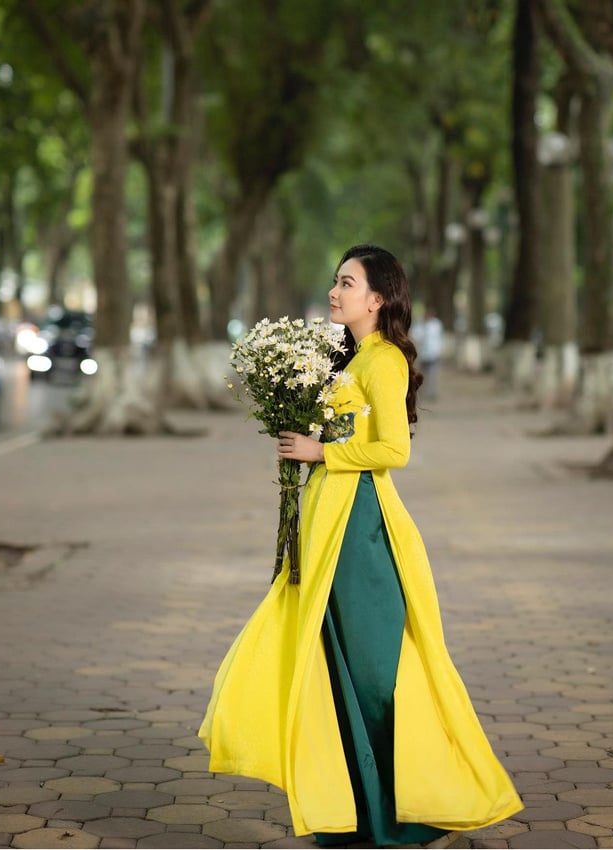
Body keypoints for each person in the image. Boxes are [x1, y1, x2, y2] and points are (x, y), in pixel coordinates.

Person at [198, 245, 523, 846]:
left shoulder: (385, 362)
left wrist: (322, 452)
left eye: (347, 283)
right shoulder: (345, 360)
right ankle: (354, 809)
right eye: (334, 281)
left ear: (377, 298)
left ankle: (409, 812)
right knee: (332, 663)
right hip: (327, 521)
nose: (334, 291)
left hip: (363, 528)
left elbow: (394, 451)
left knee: (375, 673)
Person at [412, 306, 445, 401]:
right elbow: (415, 335)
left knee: (433, 375)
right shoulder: (421, 325)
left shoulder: (436, 324)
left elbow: (438, 339)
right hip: (423, 355)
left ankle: (432, 394)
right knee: (423, 375)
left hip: (434, 354)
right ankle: (422, 393)